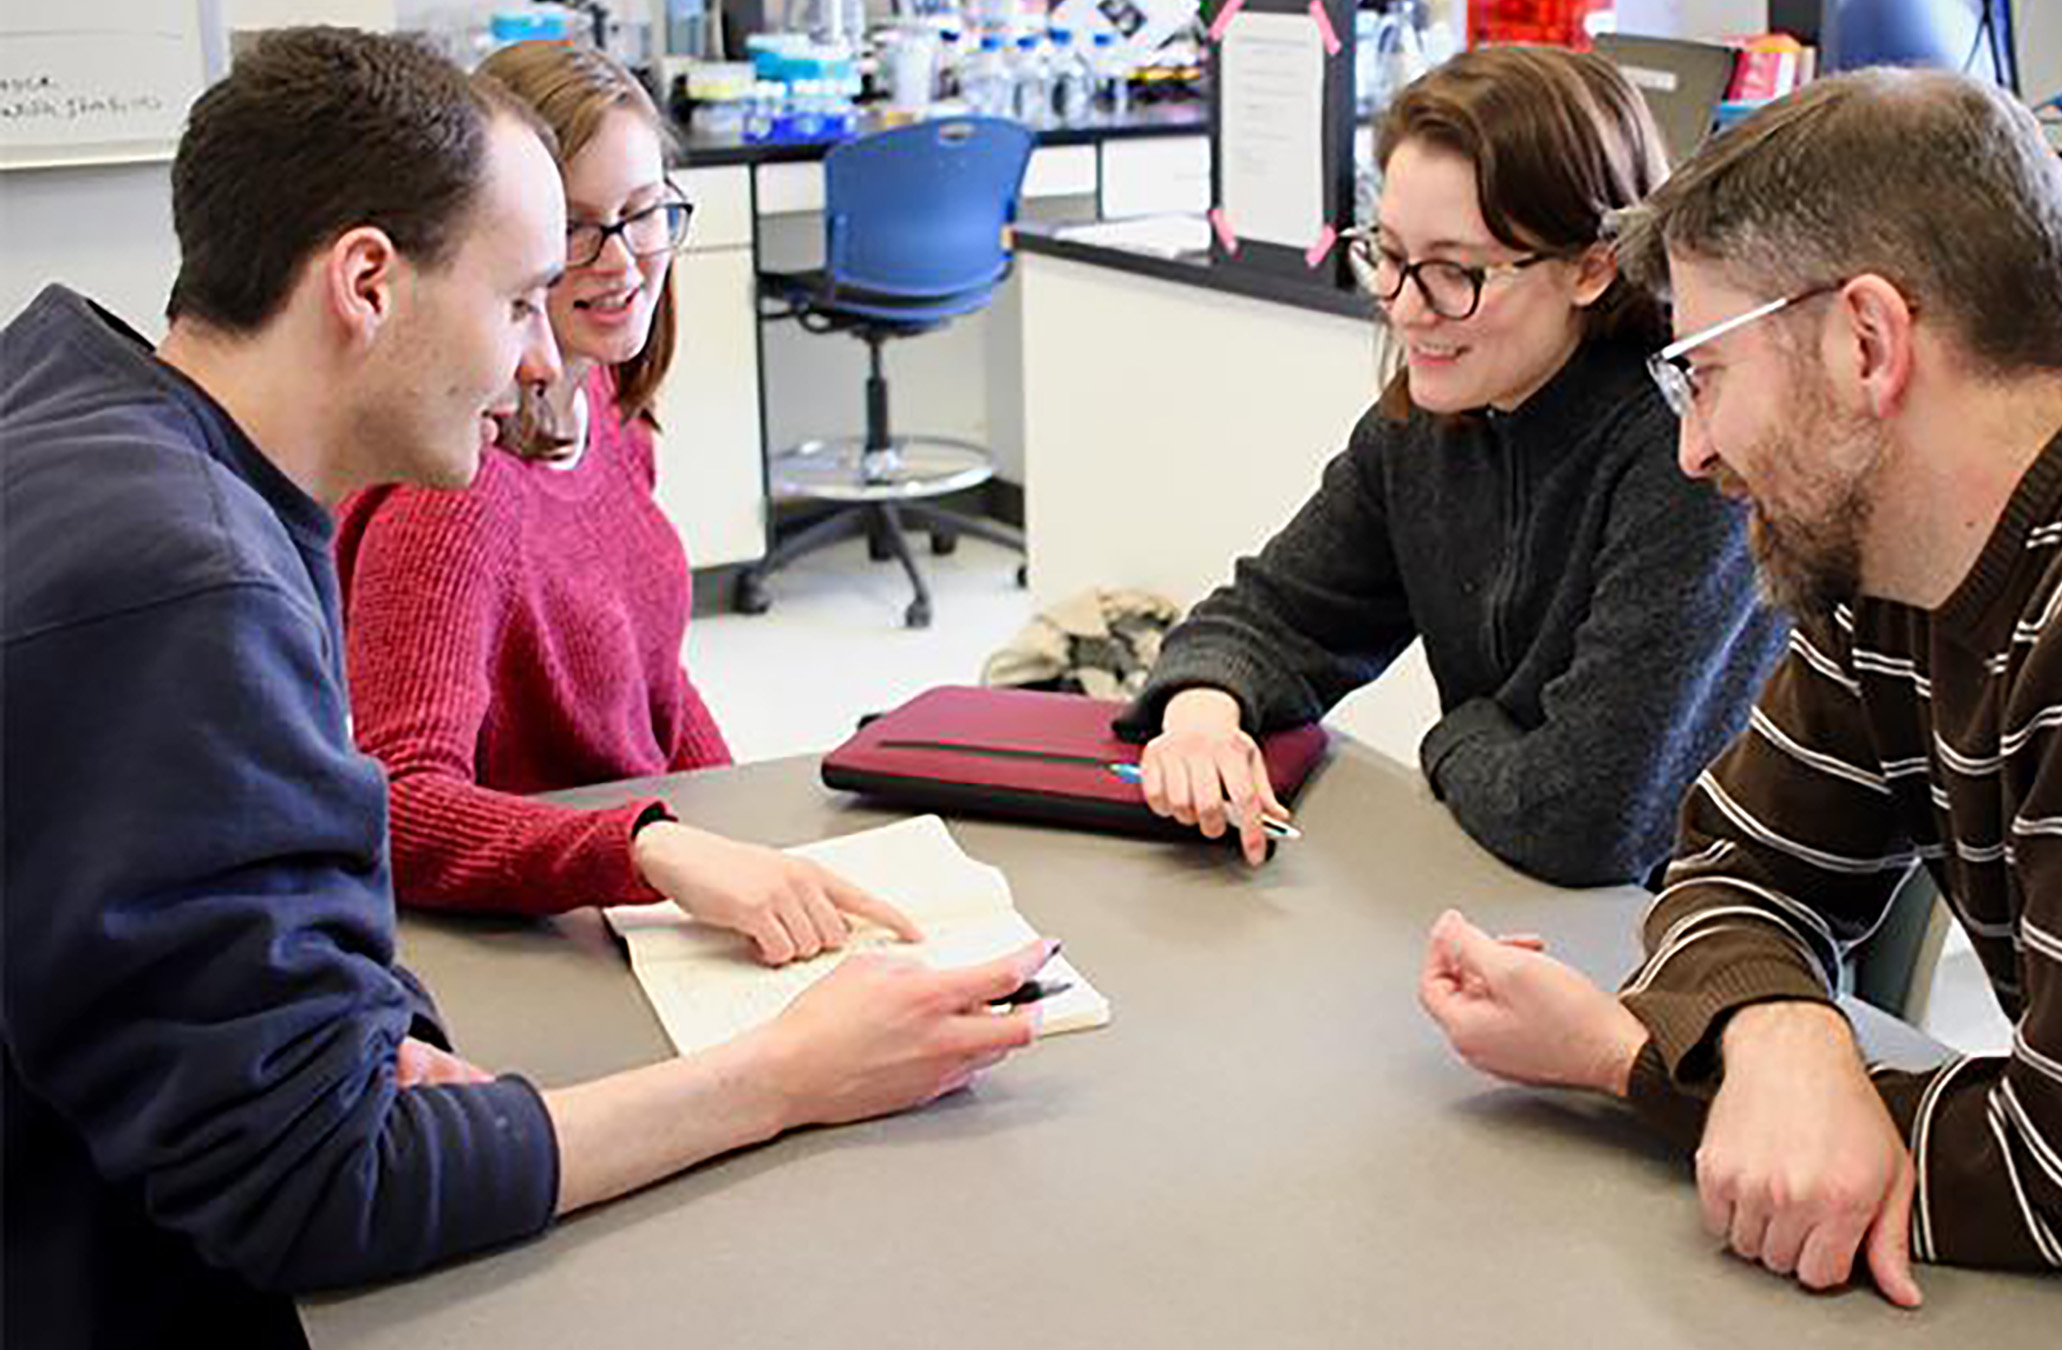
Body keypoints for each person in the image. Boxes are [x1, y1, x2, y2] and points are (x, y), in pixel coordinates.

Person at [0, 30, 1048, 1348]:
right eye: (516, 305)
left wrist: (371, 1034)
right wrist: (779, 1075)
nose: (539, 366)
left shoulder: (97, 412)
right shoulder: (192, 585)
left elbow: (228, 900)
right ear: (367, 282)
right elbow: (319, 1185)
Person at [1418, 68, 2062, 1298]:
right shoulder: (1894, 556)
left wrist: (1633, 1062)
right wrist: (1779, 1037)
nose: (1693, 446)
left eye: (1703, 374)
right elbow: (1734, 862)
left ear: (1867, 342)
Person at [1113, 46, 1785, 882]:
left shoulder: (1692, 461)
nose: (1403, 305)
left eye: (1455, 271)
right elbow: (1266, 617)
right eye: (1388, 255)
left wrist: (1454, 732)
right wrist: (1205, 715)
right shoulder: (1426, 426)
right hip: (1510, 900)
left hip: (1682, 938)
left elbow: (1585, 820)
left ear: (1591, 266)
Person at [333, 41, 876, 965]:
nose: (621, 261)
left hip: (631, 888)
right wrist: (651, 848)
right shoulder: (454, 495)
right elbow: (400, 801)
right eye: (577, 229)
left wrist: (746, 828)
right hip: (542, 929)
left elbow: (650, 684)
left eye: (641, 214)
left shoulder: (606, 409)